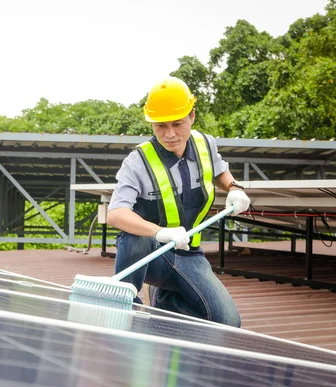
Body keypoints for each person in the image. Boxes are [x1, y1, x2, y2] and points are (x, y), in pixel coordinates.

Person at [106, 76, 250, 327]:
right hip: (150, 254)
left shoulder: (205, 145)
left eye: (177, 124)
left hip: (188, 253)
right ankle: (126, 302)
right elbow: (116, 214)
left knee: (228, 322)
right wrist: (159, 231)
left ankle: (165, 302)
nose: (170, 134)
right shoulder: (137, 161)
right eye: (160, 126)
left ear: (192, 116)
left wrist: (233, 187)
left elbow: (218, 171)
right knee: (135, 234)